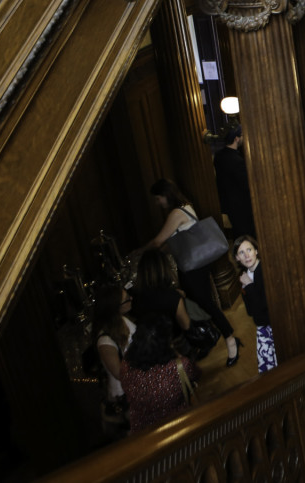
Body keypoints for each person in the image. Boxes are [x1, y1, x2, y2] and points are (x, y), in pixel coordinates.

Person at [131, 180, 241, 367]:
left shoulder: (177, 213)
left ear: (166, 195)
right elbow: (171, 243)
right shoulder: (185, 207)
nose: (158, 203)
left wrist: (138, 252)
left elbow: (158, 242)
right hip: (190, 266)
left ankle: (230, 339)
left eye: (158, 199)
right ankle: (204, 337)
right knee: (193, 301)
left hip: (193, 267)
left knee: (205, 303)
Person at [120, 314, 201, 433]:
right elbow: (196, 375)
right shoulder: (179, 366)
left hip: (143, 434)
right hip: (178, 427)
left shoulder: (126, 364)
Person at [92, 285, 136, 432]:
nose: (131, 299)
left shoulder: (122, 321)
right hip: (124, 398)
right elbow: (119, 373)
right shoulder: (105, 341)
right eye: (126, 300)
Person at [233, 235, 277, 372]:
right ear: (237, 258)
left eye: (249, 250)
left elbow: (264, 305)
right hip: (262, 325)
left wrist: (250, 286)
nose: (247, 255)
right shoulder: (245, 276)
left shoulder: (264, 271)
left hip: (273, 324)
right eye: (241, 252)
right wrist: (247, 286)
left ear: (256, 251)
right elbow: (250, 311)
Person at [213, 124, 255, 238]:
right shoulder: (237, 161)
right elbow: (246, 185)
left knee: (238, 235)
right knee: (248, 236)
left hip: (228, 205)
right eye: (241, 135)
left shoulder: (219, 156)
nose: (242, 138)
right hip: (242, 206)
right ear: (236, 138)